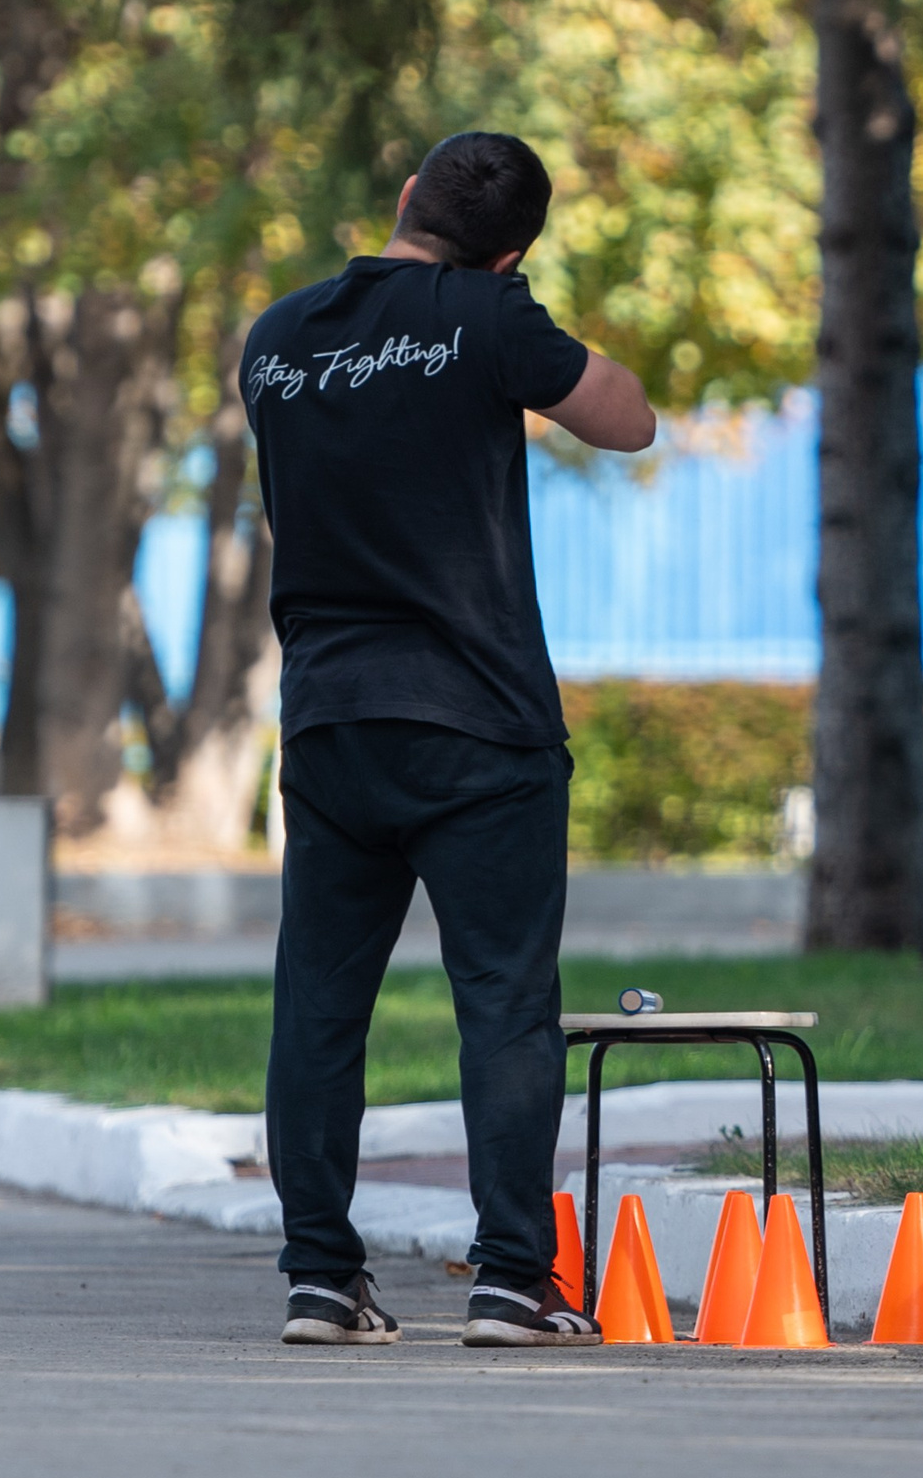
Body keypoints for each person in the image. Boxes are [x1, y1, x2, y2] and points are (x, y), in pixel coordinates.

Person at [239, 132, 657, 1349]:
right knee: (503, 1004)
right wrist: (504, 308)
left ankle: (319, 1280)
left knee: (317, 1006)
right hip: (479, 722)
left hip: (330, 718)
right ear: (513, 250)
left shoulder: (277, 336)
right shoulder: (488, 323)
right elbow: (627, 420)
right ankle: (510, 1283)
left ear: (405, 196)